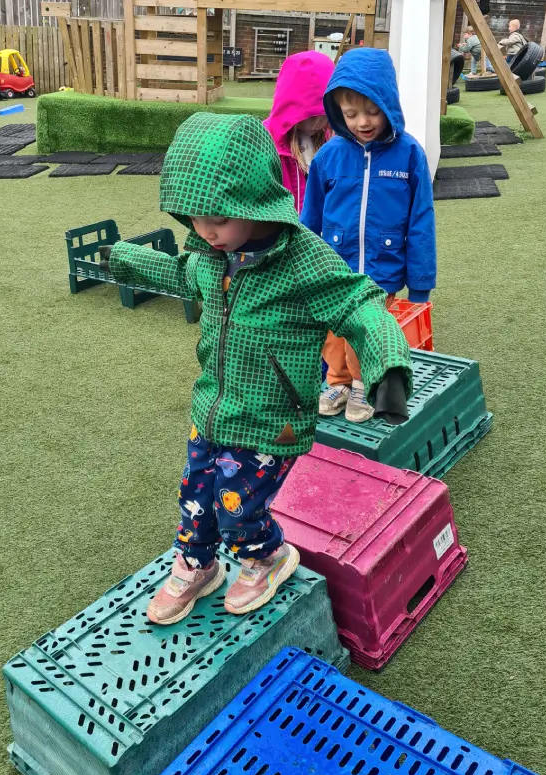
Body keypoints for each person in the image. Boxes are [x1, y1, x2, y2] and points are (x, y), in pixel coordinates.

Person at [99, 113, 412, 625]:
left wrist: (387, 366)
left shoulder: (303, 262)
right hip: (213, 406)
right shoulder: (207, 253)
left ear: (252, 201)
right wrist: (127, 260)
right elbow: (184, 274)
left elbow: (360, 305)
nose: (204, 232)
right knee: (196, 493)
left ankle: (266, 556)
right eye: (193, 219)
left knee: (239, 509)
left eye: (217, 219)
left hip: (271, 419)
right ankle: (198, 565)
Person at [300, 48, 436, 423]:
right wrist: (297, 265)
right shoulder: (329, 156)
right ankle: (339, 381)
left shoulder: (409, 154)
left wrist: (420, 284)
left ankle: (363, 385)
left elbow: (421, 219)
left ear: (388, 103)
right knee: (332, 332)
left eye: (372, 110)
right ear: (337, 112)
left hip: (383, 270)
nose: (363, 121)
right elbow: (309, 218)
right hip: (334, 269)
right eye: (351, 113)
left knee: (367, 331)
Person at [263, 51, 335, 214]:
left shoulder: (329, 142)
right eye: (311, 117)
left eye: (325, 116)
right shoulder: (265, 143)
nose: (319, 124)